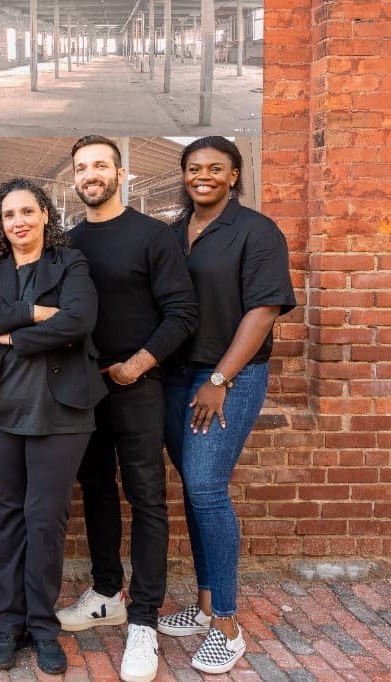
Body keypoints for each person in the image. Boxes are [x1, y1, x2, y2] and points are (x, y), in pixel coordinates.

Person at [56, 136, 197, 682]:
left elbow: (182, 313)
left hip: (138, 385)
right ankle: (106, 592)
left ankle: (143, 621)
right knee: (94, 488)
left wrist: (138, 364)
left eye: (100, 165)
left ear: (120, 173)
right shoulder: (67, 243)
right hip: (85, 388)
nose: (91, 174)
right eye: (82, 167)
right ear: (75, 178)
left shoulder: (152, 236)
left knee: (147, 497)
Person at [157, 137, 296, 675]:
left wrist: (219, 378)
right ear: (184, 175)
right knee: (194, 488)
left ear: (234, 176)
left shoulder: (256, 232)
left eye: (216, 169)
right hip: (175, 378)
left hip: (227, 380)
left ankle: (228, 625)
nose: (204, 176)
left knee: (207, 488)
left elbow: (263, 311)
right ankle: (207, 600)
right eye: (195, 168)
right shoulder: (173, 233)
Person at [0, 177, 106, 675]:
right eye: (8, 215)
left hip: (60, 413)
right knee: (10, 517)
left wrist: (13, 337)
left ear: (45, 214)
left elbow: (80, 320)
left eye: (27, 211)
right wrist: (30, 312)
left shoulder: (72, 263)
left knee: (46, 521)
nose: (18, 222)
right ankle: (8, 625)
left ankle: (43, 627)